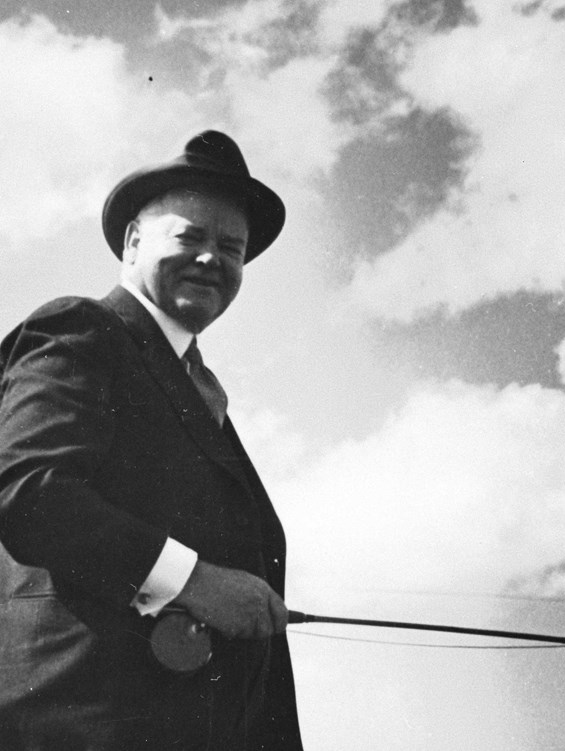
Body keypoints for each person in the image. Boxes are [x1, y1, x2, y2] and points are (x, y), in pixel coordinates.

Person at [0, 130, 304, 750]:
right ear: (134, 241)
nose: (211, 259)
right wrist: (195, 581)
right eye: (190, 237)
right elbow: (28, 491)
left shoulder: (204, 393)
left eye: (231, 247)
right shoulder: (80, 329)